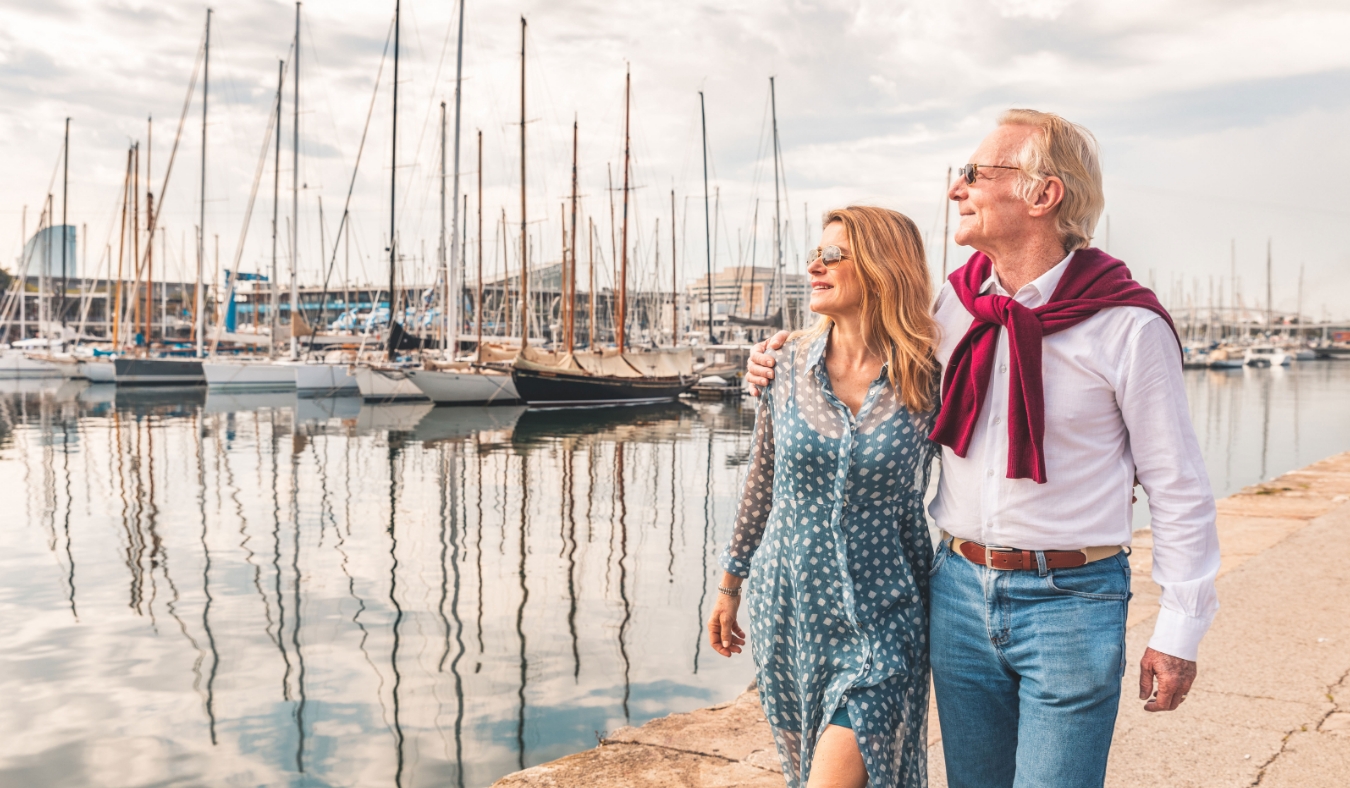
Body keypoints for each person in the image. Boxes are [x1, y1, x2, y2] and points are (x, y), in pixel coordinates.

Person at [746, 109, 1220, 788]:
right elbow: (860, 351)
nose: (956, 190)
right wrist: (773, 359)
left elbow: (1177, 486)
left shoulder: (1126, 325)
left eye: (974, 173)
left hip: (1071, 600)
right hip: (958, 593)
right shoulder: (952, 306)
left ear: (1043, 194)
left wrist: (1179, 630)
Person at [707, 206, 941, 788]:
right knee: (807, 770)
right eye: (816, 253)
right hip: (792, 609)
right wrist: (730, 586)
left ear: (882, 268)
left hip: (887, 613)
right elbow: (763, 479)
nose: (814, 266)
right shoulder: (783, 365)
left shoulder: (928, 375)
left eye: (833, 255)